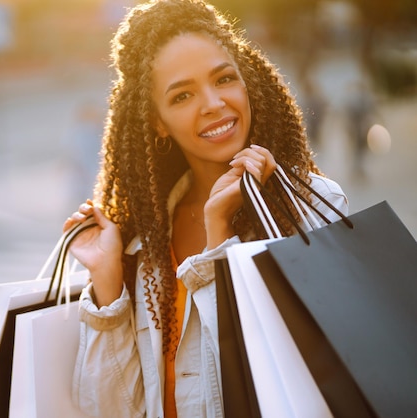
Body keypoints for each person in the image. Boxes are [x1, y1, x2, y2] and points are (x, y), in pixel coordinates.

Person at [63, 1, 348, 417]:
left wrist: (220, 237)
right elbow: (108, 410)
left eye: (224, 79)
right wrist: (107, 280)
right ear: (158, 121)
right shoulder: (144, 240)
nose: (213, 103)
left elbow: (289, 384)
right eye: (182, 95)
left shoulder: (307, 208)